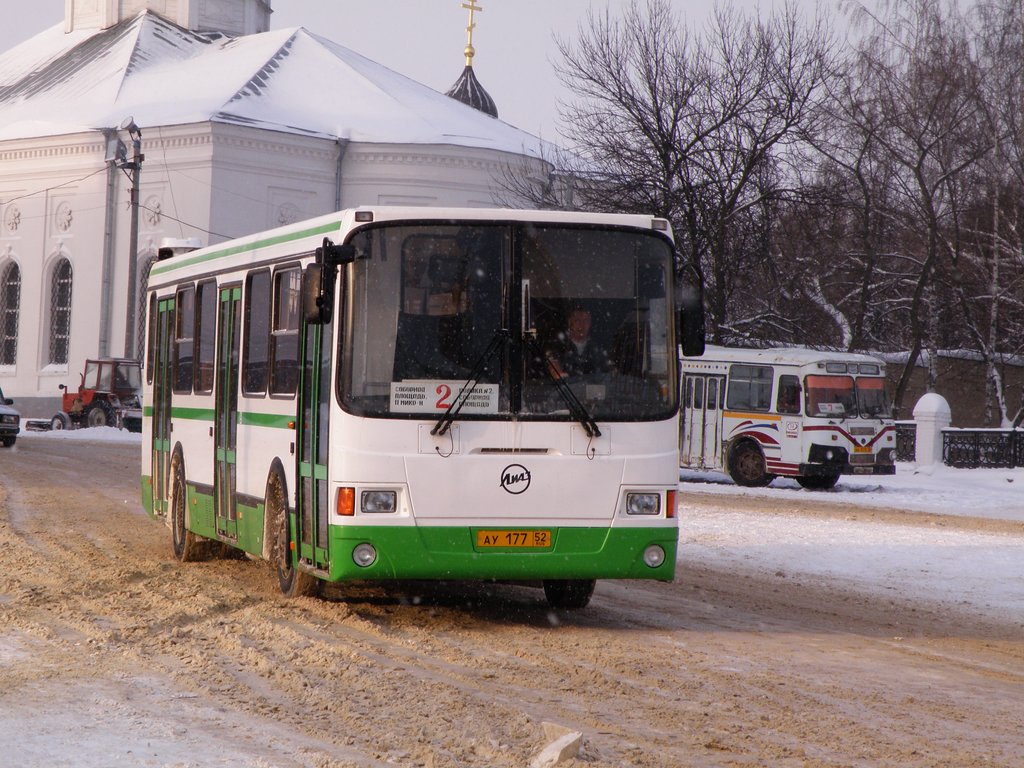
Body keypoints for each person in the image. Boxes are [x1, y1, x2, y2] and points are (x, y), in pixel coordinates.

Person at [546, 306, 611, 378]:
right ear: (570, 322)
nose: (582, 325)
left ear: (590, 324)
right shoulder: (559, 346)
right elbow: (554, 367)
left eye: (585, 321)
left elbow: (608, 375)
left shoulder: (597, 349)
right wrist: (560, 376)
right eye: (577, 321)